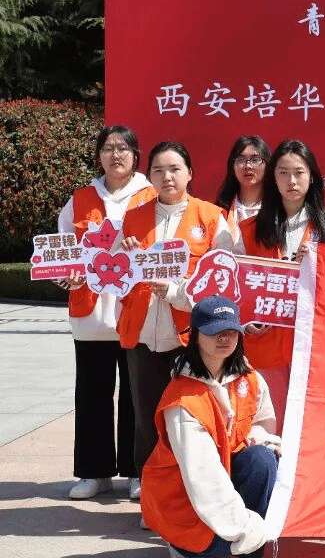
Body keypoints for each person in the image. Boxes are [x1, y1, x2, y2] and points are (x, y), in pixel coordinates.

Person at [116, 142, 232, 492]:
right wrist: (125, 259)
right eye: (158, 170)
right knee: (145, 414)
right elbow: (113, 274)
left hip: (190, 336)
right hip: (142, 332)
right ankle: (148, 485)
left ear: (190, 173)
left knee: (189, 416)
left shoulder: (211, 218)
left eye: (175, 169)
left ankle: (190, 489)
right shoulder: (133, 217)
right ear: (149, 176)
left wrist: (175, 291)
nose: (167, 177)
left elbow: (222, 280)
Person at [56, 126, 157, 500]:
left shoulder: (151, 195)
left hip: (136, 311)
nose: (116, 155)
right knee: (92, 394)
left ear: (136, 155)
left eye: (123, 148)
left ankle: (136, 472)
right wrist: (65, 274)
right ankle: (93, 472)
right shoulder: (81, 199)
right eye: (108, 148)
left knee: (136, 397)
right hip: (91, 314)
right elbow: (62, 249)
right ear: (98, 155)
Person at [142, 295, 279, 558]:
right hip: (184, 500)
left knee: (262, 458)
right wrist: (249, 531)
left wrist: (258, 436)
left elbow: (263, 423)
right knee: (227, 544)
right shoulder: (183, 400)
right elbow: (203, 479)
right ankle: (193, 544)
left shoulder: (250, 379)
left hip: (223, 486)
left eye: (231, 331)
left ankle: (243, 541)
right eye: (214, 331)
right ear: (194, 336)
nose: (224, 338)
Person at [235, 139, 325, 431]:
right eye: (283, 173)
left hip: (312, 342)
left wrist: (320, 262)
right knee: (268, 423)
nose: (291, 181)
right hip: (265, 343)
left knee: (310, 426)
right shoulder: (250, 230)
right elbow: (235, 285)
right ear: (272, 178)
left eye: (299, 172)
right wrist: (246, 322)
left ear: (312, 177)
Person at [215, 136, 270, 238]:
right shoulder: (220, 211)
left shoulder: (278, 208)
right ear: (232, 166)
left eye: (255, 160)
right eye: (241, 160)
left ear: (267, 165)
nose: (248, 166)